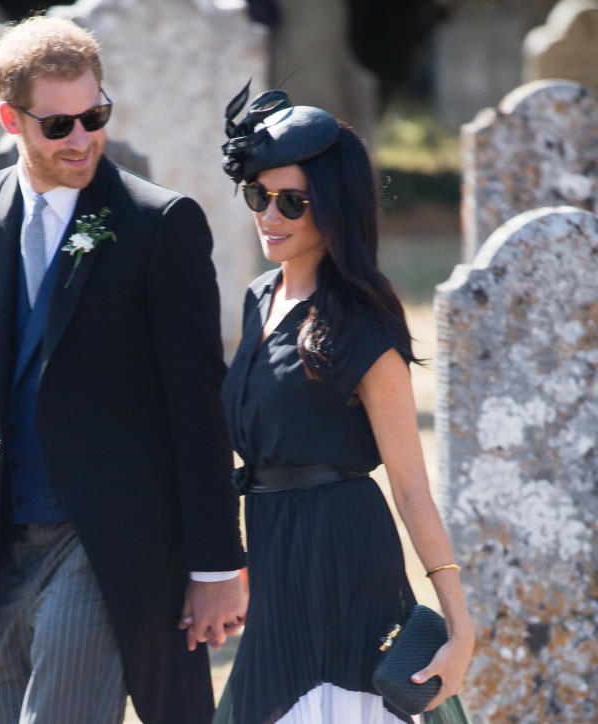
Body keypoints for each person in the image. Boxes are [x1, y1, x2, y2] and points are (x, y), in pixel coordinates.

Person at [0, 16, 246, 724]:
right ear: (11, 119)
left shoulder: (159, 224)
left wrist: (216, 564)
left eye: (95, 116)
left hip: (111, 544)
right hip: (9, 543)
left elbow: (197, 402)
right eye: (58, 125)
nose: (83, 138)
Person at [212, 83, 474, 724]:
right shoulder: (257, 299)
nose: (270, 215)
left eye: (293, 203)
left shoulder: (363, 325)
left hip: (346, 558)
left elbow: (411, 486)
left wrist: (461, 627)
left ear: (332, 209)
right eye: (259, 196)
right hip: (274, 556)